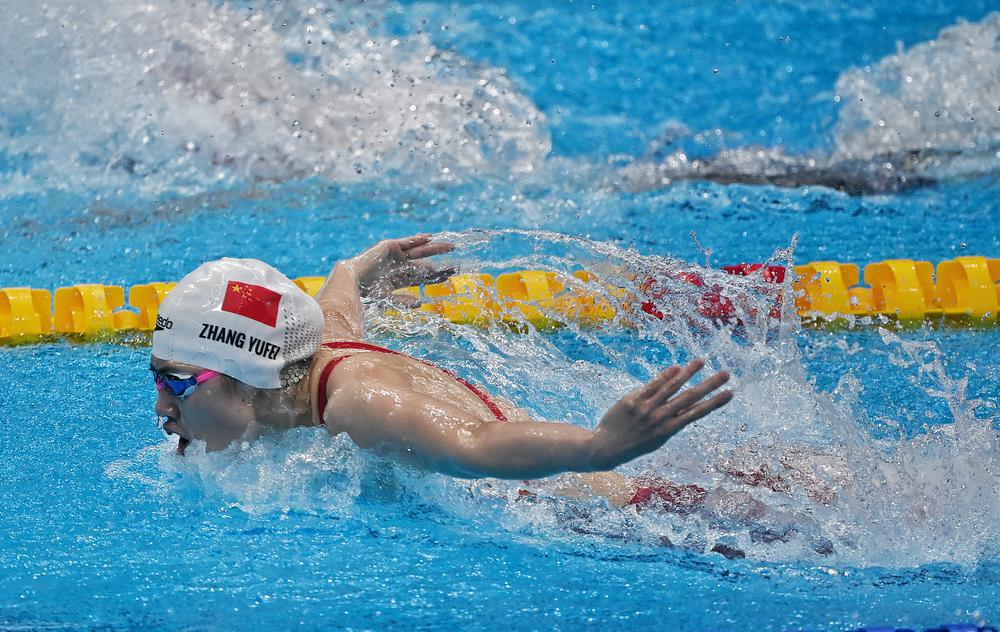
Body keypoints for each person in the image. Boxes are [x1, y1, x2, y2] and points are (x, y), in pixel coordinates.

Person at [151, 234, 733, 480]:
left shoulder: (358, 404)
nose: (162, 408)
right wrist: (351, 272)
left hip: (636, 507)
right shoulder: (311, 355)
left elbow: (475, 444)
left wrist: (598, 448)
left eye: (177, 384)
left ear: (250, 379)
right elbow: (338, 311)